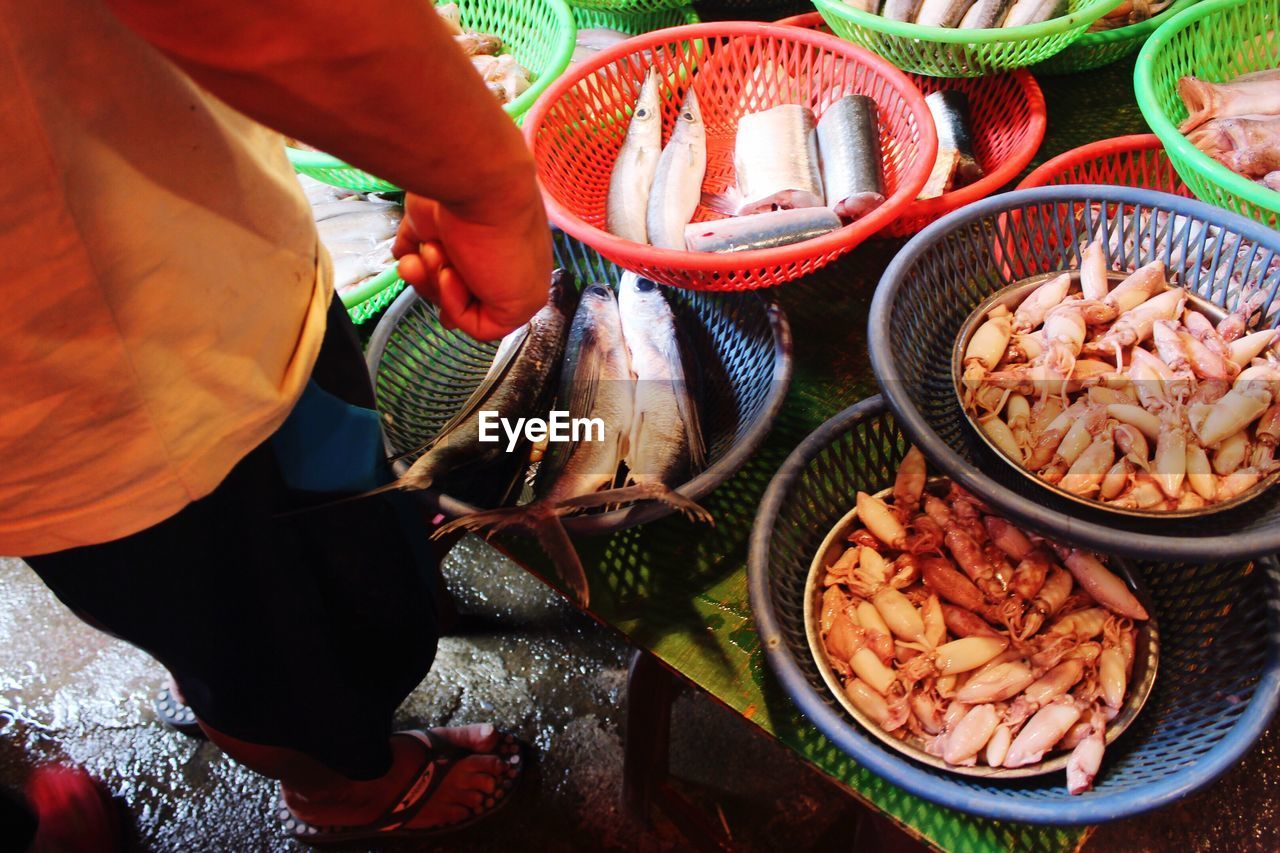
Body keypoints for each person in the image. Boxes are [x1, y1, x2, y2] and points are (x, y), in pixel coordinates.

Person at [0, 0, 552, 841]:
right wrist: (483, 181)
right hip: (120, 400)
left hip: (212, 303)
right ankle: (342, 792)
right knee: (280, 666)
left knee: (304, 586)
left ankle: (232, 675)